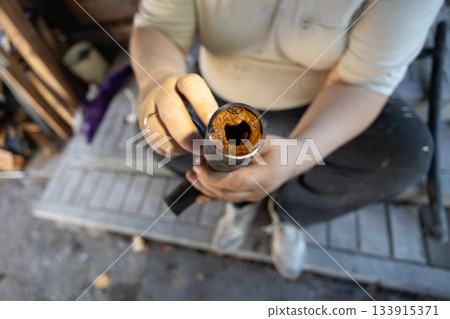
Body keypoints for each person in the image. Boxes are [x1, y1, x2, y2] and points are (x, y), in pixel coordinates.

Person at [130, 0, 443, 279]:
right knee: (150, 137)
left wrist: (294, 159)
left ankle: (291, 212)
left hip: (323, 102)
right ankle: (238, 202)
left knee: (406, 153)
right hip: (213, 97)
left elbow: (363, 80)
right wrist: (155, 83)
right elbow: (160, 26)